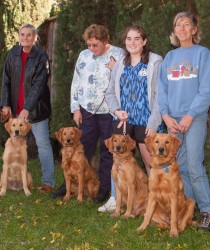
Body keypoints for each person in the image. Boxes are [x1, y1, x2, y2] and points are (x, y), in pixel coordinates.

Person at [50, 24, 123, 203]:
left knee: (107, 151)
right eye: (88, 44)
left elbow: (126, 79)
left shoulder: (119, 54)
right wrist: (75, 108)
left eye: (95, 45)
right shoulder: (84, 55)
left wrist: (116, 69)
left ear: (105, 40)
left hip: (109, 112)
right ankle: (70, 185)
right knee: (80, 148)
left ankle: (104, 188)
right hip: (86, 111)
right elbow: (76, 82)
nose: (91, 48)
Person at [158, 12, 210, 231]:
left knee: (194, 164)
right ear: (174, 31)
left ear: (194, 29)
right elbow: (161, 91)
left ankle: (208, 213)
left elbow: (207, 90)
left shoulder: (203, 54)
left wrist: (190, 115)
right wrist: (166, 116)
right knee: (179, 165)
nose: (181, 29)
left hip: (194, 118)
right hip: (172, 121)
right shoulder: (169, 58)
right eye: (177, 25)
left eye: (186, 25)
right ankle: (190, 210)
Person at [101, 25, 163, 212]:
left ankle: (157, 201)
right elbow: (110, 92)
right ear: (125, 42)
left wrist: (154, 122)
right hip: (123, 121)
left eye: (137, 38)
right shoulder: (120, 63)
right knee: (117, 161)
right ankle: (115, 199)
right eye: (129, 39)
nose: (133, 42)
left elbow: (161, 96)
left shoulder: (155, 62)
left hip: (147, 121)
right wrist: (116, 110)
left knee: (150, 163)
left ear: (144, 41)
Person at [0, 23, 55, 193]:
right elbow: (6, 81)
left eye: (29, 35)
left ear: (35, 37)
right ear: (19, 36)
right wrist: (6, 104)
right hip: (16, 111)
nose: (25, 38)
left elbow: (39, 85)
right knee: (13, 145)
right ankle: (11, 179)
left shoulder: (41, 56)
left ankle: (48, 182)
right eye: (22, 34)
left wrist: (27, 109)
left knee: (43, 144)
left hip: (36, 111)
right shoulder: (13, 54)